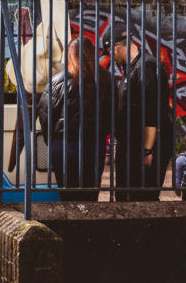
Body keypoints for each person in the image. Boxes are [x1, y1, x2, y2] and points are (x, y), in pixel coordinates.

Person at [38, 37, 112, 201]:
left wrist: (51, 139)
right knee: (91, 193)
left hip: (64, 145)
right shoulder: (106, 79)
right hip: (93, 144)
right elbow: (112, 114)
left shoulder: (58, 81)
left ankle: (70, 223)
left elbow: (45, 114)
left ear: (70, 55)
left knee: (67, 193)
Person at [107, 23, 173, 201]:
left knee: (142, 198)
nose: (111, 58)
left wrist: (147, 150)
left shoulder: (146, 68)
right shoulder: (135, 68)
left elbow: (152, 112)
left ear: (116, 48)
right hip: (134, 147)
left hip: (144, 148)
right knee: (128, 196)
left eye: (110, 53)